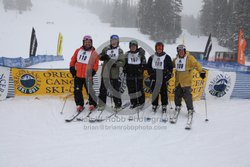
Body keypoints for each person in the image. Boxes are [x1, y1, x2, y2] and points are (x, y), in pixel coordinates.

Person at [171, 44, 206, 124]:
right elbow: (171, 65)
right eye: (179, 51)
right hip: (178, 82)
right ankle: (178, 106)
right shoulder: (176, 59)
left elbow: (196, 64)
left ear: (184, 51)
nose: (181, 52)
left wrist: (201, 72)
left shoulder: (189, 58)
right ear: (178, 51)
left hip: (186, 82)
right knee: (177, 95)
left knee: (188, 97)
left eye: (182, 50)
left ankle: (190, 109)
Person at [69, 35, 99, 112]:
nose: (87, 43)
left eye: (89, 42)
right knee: (77, 90)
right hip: (78, 75)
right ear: (83, 42)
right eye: (86, 42)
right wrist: (72, 68)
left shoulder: (94, 53)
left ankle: (93, 103)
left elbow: (96, 64)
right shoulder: (78, 51)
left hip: (87, 76)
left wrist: (93, 72)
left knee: (90, 91)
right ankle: (79, 104)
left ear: (91, 43)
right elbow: (73, 60)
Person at [98, 35, 125, 111]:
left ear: (117, 41)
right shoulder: (106, 49)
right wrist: (102, 57)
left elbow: (122, 62)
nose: (114, 42)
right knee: (103, 90)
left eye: (115, 40)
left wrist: (116, 64)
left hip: (115, 73)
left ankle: (118, 105)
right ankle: (101, 105)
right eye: (112, 40)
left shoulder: (120, 50)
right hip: (105, 73)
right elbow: (99, 56)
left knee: (116, 90)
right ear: (110, 41)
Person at [147, 42, 173, 114]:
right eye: (158, 48)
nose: (159, 49)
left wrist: (167, 76)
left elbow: (170, 68)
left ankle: (164, 105)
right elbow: (148, 67)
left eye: (160, 48)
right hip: (155, 78)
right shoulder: (152, 57)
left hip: (163, 78)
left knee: (164, 92)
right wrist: (151, 74)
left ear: (162, 48)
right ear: (156, 48)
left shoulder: (167, 57)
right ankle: (154, 105)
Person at [124, 40, 146, 109]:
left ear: (136, 47)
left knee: (139, 89)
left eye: (134, 46)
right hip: (129, 75)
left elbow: (144, 64)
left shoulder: (141, 54)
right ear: (129, 47)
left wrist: (140, 69)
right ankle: (133, 102)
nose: (133, 47)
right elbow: (124, 63)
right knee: (131, 89)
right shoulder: (127, 54)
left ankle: (141, 102)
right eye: (131, 46)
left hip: (138, 75)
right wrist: (125, 69)